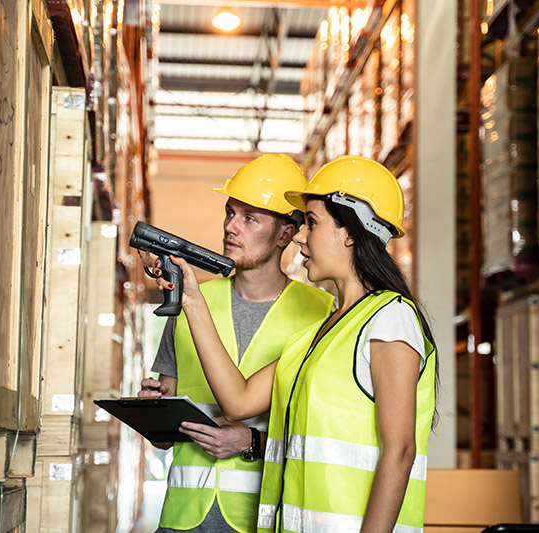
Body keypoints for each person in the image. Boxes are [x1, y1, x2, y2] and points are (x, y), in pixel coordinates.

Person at [155, 155, 438, 532]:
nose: (300, 236)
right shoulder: (321, 332)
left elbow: (400, 452)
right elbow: (237, 402)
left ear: (351, 232)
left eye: (312, 223)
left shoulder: (390, 318)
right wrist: (191, 299)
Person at [139, 153, 334, 533]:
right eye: (230, 213)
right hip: (182, 517)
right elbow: (163, 442)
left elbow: (323, 436)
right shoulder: (188, 301)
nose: (231, 227)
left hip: (262, 516)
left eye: (249, 218)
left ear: (284, 234)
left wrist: (251, 441)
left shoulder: (322, 313)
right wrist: (152, 413)